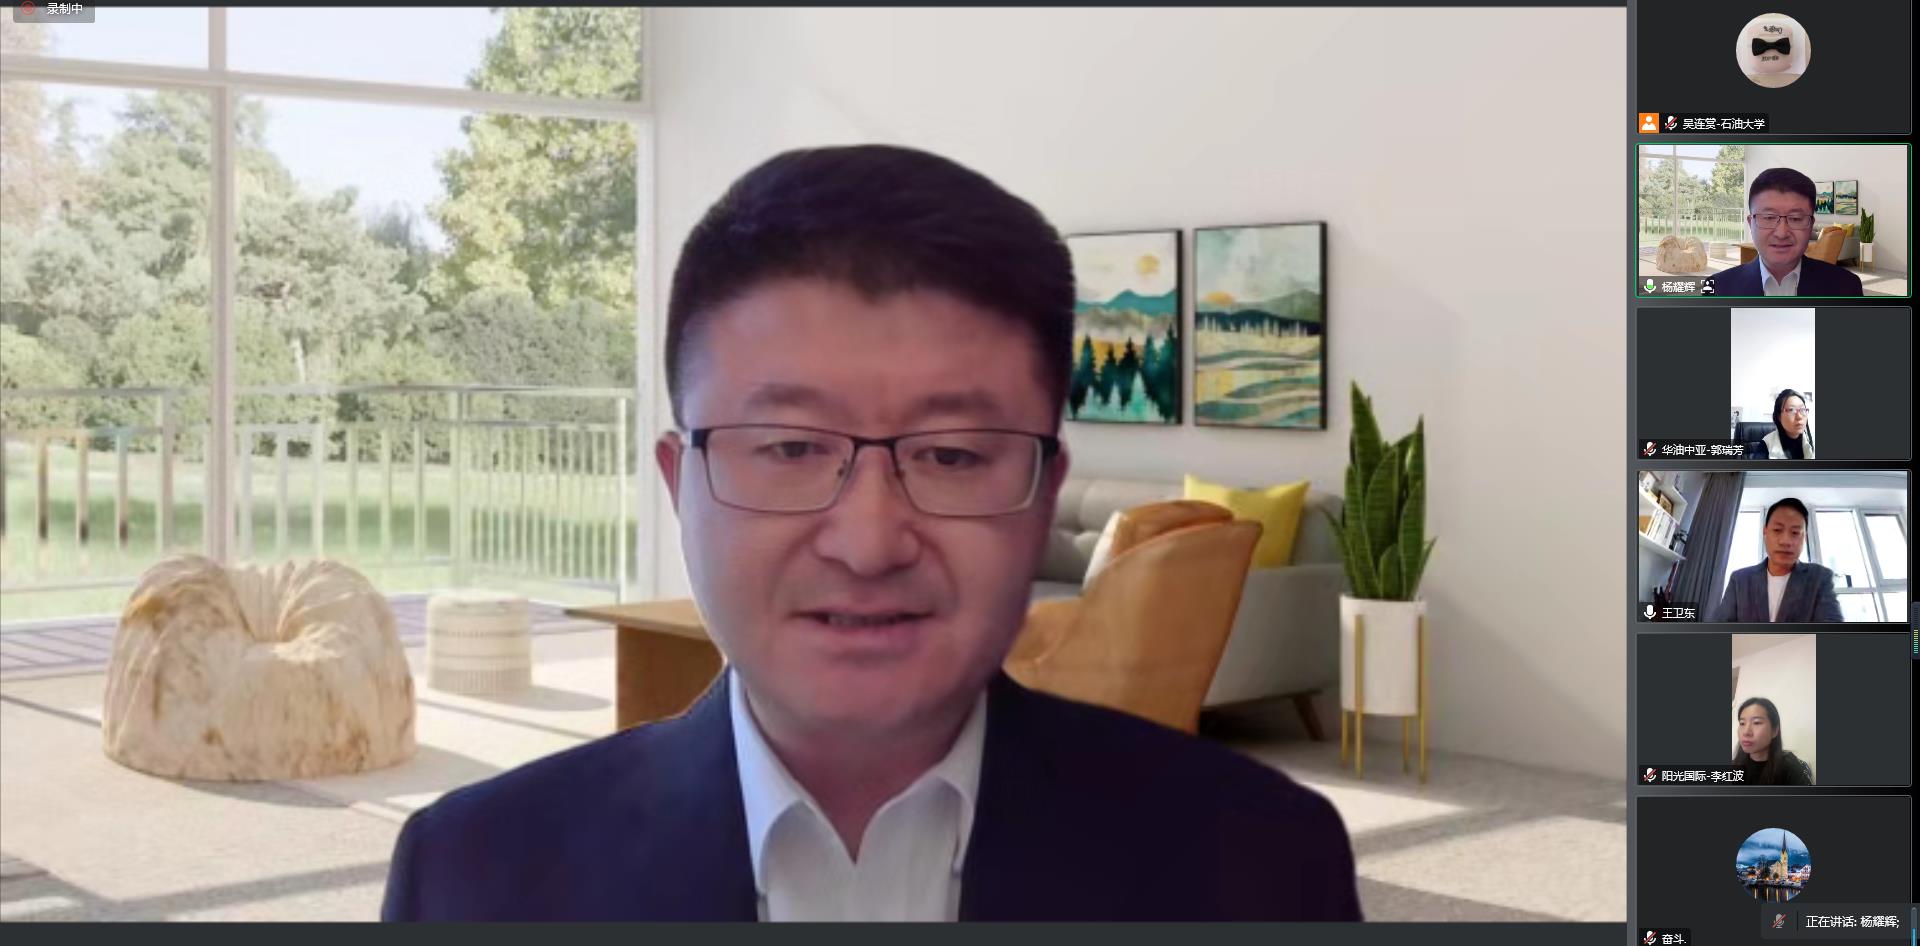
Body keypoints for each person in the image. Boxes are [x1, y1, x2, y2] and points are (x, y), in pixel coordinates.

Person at [381, 145, 1361, 921]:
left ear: (1041, 497)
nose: (869, 542)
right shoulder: (472, 874)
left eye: (954, 454)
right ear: (681, 486)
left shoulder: (1264, 860)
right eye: (790, 447)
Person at [1705, 168, 1864, 297]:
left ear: (1810, 225)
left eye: (1795, 218)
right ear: (1750, 223)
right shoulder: (1717, 288)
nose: (1781, 233)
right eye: (1768, 217)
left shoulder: (1847, 286)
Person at [1709, 498, 1844, 623]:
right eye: (1777, 530)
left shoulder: (1820, 578)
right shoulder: (1740, 580)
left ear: (1805, 538)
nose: (1785, 541)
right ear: (1765, 532)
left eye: (1795, 533)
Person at [1732, 697, 1813, 785]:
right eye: (1742, 723)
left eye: (1756, 722)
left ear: (1774, 730)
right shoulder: (1735, 765)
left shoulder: (1790, 767)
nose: (1746, 732)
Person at [1759, 388, 1814, 459]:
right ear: (1779, 416)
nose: (1799, 416)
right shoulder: (1766, 444)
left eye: (1803, 409)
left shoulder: (1812, 440)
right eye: (1791, 410)